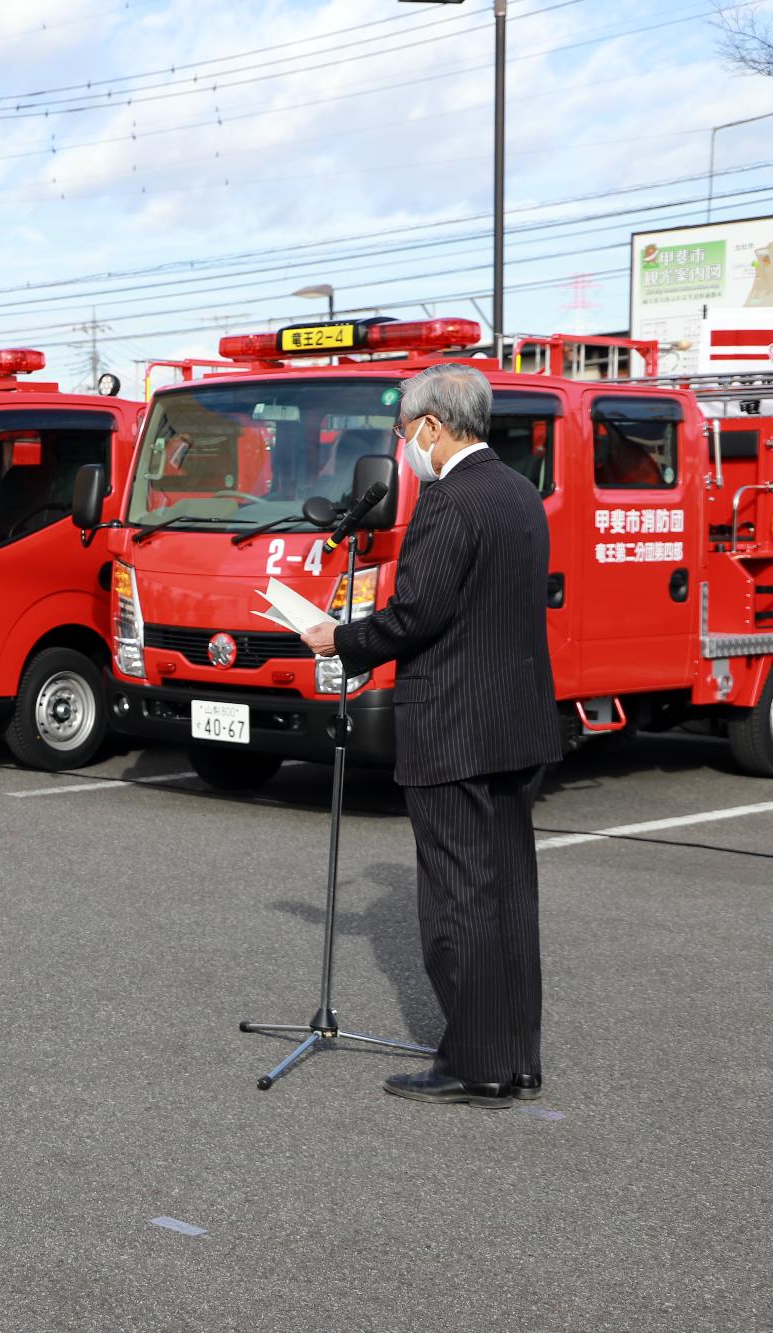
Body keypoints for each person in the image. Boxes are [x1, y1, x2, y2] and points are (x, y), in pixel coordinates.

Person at [301, 362, 562, 1109]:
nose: (404, 443)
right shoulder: (519, 492)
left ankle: (475, 1062)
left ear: (432, 426)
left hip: (454, 723)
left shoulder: (449, 500)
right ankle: (517, 1058)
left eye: (405, 428)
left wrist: (338, 639)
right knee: (509, 894)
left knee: (458, 898)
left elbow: (417, 612)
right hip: (517, 722)